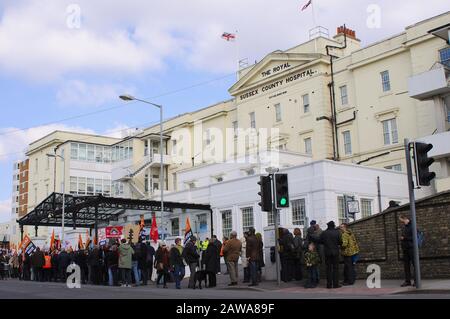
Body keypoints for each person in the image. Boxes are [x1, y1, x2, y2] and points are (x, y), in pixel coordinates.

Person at [320, 221, 342, 289]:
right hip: (335, 252)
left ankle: (329, 285)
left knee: (328, 269)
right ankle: (335, 284)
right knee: (336, 268)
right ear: (334, 226)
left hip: (327, 252)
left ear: (328, 226)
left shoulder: (324, 233)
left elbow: (320, 241)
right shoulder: (337, 232)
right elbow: (340, 242)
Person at [399, 215, 416, 287]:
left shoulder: (412, 226)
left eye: (402, 220)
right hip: (405, 249)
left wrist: (404, 238)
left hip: (411, 248)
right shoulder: (405, 227)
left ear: (406, 219)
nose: (402, 222)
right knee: (406, 266)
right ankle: (407, 281)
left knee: (415, 265)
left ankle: (416, 281)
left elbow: (414, 237)